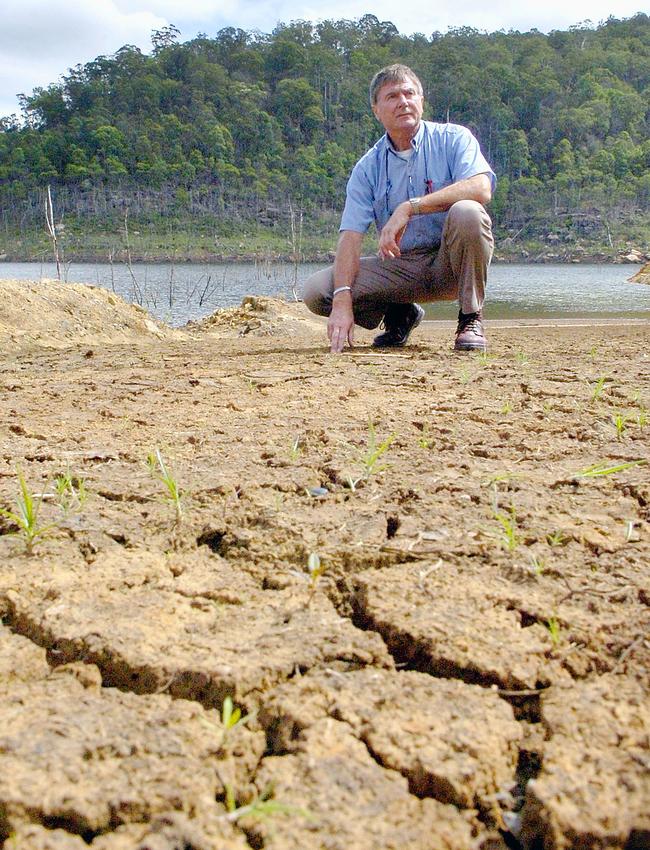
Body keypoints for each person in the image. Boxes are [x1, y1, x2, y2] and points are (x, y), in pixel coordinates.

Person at [303, 63, 496, 354]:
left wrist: (411, 207)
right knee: (317, 291)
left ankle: (470, 317)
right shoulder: (368, 168)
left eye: (410, 93)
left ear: (421, 101)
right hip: (401, 268)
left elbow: (481, 187)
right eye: (392, 96)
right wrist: (342, 301)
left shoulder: (454, 139)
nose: (403, 101)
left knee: (467, 211)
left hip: (451, 263)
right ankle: (400, 313)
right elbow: (351, 237)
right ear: (376, 110)